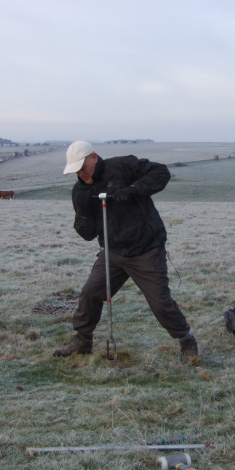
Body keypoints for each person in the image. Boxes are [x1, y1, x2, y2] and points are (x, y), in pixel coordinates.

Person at [53, 140, 198, 363]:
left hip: (146, 249)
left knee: (160, 302)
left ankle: (186, 340)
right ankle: (83, 340)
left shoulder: (122, 166)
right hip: (113, 253)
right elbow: (88, 234)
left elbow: (161, 173)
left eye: (83, 167)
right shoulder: (80, 190)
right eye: (76, 170)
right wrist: (82, 215)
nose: (81, 173)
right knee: (90, 293)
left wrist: (132, 190)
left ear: (94, 156)